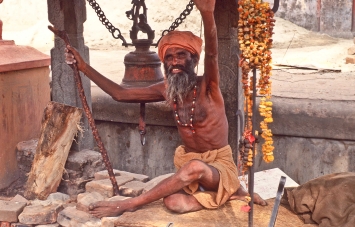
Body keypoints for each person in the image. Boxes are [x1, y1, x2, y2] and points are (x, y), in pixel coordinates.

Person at [65, 0, 266, 218]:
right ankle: (229, 195)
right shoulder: (166, 89)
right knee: (172, 202)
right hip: (191, 165)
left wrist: (208, 14)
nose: (175, 61)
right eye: (169, 57)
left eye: (181, 55)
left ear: (193, 59)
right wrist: (83, 66)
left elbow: (213, 55)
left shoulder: (209, 87)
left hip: (218, 168)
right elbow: (120, 94)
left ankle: (130, 204)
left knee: (194, 168)